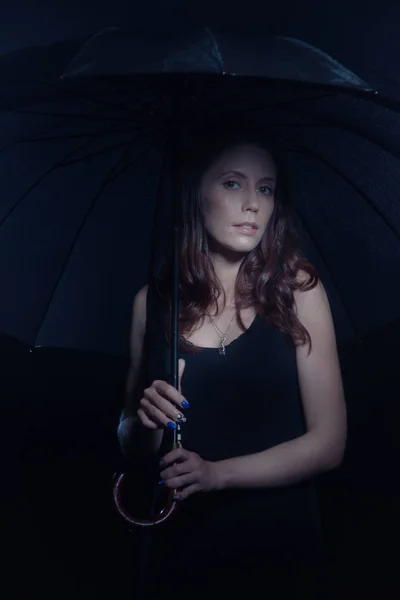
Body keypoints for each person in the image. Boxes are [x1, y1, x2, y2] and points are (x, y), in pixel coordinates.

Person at [117, 121, 347, 599]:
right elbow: (134, 447)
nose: (253, 204)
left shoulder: (297, 289)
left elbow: (329, 443)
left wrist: (217, 474)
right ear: (194, 192)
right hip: (181, 553)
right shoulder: (153, 305)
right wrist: (147, 419)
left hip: (281, 551)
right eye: (232, 182)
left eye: (265, 188)